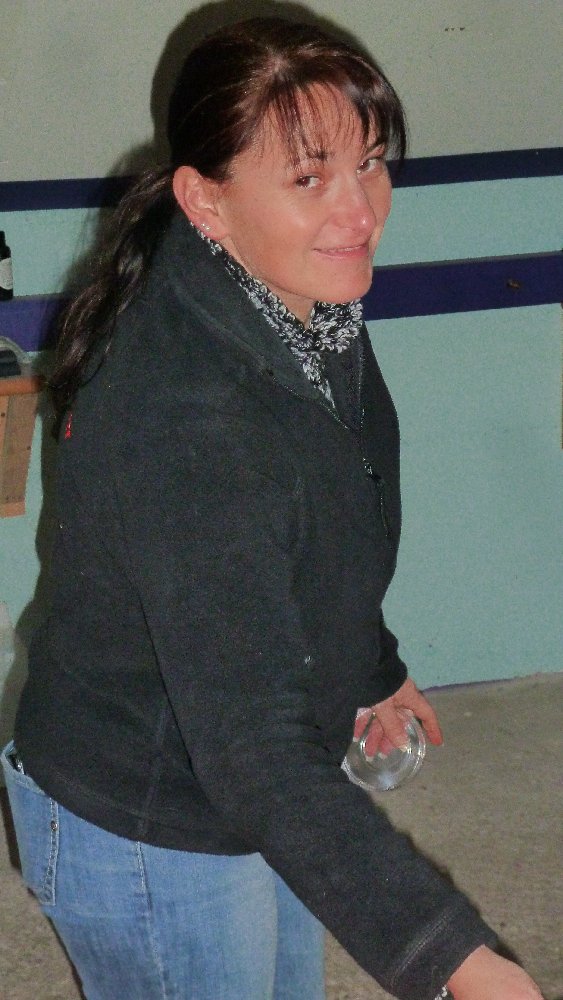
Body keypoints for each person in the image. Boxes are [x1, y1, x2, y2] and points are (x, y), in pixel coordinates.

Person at [2, 15, 543, 1000]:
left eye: (368, 163)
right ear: (204, 201)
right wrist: (459, 965)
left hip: (236, 781)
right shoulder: (189, 413)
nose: (358, 210)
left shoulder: (299, 304)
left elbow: (332, 518)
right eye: (307, 177)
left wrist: (370, 667)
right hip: (151, 822)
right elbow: (252, 757)